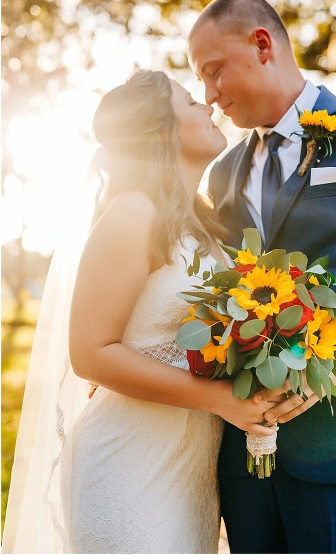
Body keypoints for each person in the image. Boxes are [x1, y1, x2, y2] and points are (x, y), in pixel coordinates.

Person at [3, 70, 280, 553]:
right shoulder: (133, 213)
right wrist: (220, 400)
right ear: (162, 130)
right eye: (192, 102)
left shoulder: (204, 225)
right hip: (127, 464)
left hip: (189, 472)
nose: (209, 106)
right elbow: (90, 354)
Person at [187, 0, 336, 554]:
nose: (210, 95)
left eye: (214, 71)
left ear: (262, 44)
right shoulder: (222, 171)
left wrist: (323, 353)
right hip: (245, 456)